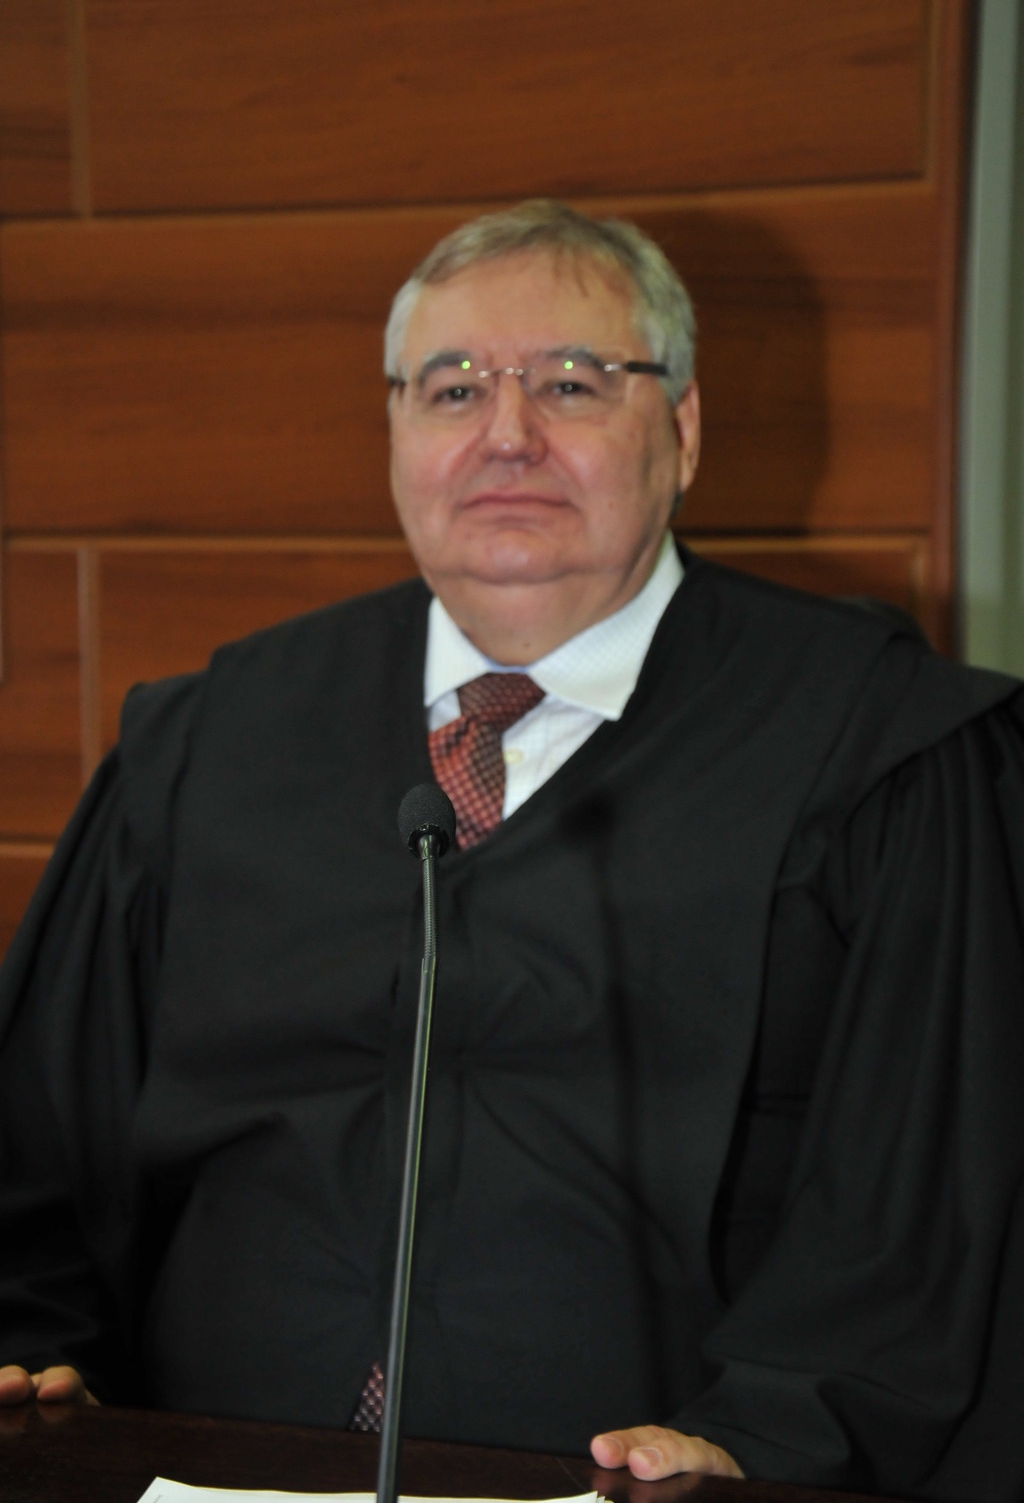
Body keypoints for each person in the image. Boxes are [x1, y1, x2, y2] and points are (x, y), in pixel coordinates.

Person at [1, 200, 1024, 1501]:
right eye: (453, 388)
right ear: (395, 434)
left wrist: (763, 1440)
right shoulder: (207, 740)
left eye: (572, 382)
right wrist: (33, 1351)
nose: (506, 434)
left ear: (683, 428)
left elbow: (928, 1196)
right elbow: (38, 1138)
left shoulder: (877, 744)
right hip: (202, 1470)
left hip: (640, 1486)